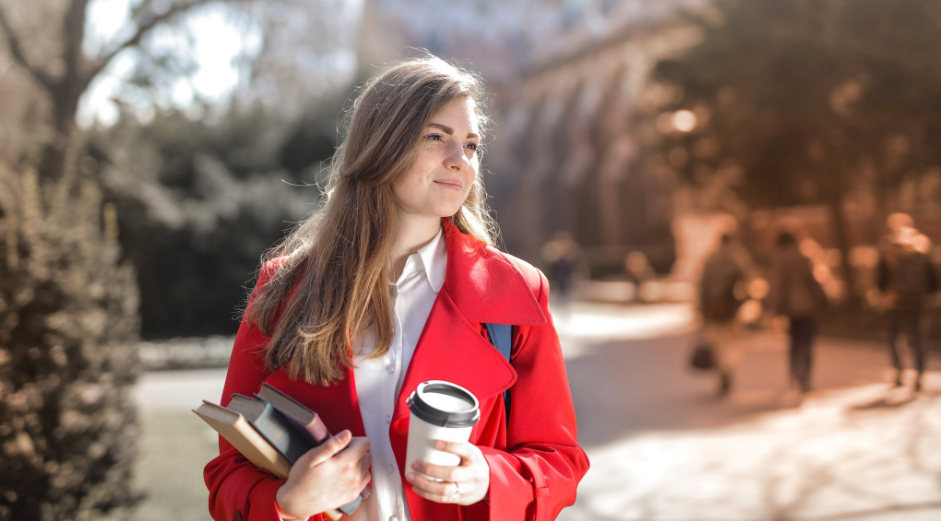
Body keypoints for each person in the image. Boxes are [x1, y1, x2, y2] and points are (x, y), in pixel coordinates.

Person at [203, 56, 589, 521]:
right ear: (381, 146)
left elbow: (559, 460)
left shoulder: (516, 291)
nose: (460, 160)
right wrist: (288, 503)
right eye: (436, 137)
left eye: (471, 145)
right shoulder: (284, 289)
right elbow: (229, 472)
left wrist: (489, 477)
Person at [876, 213, 938, 392]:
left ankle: (899, 372)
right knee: (918, 339)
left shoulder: (887, 247)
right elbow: (932, 275)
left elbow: (881, 278)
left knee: (894, 338)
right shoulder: (921, 246)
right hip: (918, 301)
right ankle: (919, 374)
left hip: (893, 301)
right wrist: (931, 294)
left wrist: (881, 294)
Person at [766, 232, 828, 393]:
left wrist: (775, 307)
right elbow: (815, 282)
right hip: (809, 307)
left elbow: (778, 287)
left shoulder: (781, 261)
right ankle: (806, 376)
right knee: (807, 343)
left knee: (794, 342)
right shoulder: (806, 257)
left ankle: (795, 372)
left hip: (792, 309)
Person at [698, 232, 750, 396]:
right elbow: (747, 282)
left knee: (717, 344)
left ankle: (722, 371)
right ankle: (728, 370)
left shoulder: (710, 260)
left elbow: (702, 287)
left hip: (712, 309)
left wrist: (701, 310)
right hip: (731, 309)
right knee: (733, 342)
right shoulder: (737, 259)